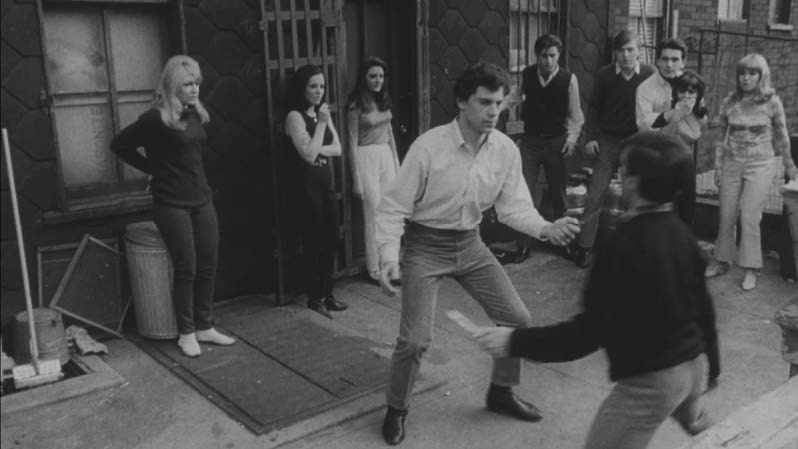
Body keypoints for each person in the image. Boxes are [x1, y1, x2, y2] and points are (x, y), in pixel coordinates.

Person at [375, 61, 580, 446]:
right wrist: (388, 256)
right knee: (416, 340)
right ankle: (396, 409)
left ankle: (501, 393)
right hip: (424, 246)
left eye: (499, 103)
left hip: (470, 244)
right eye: (484, 102)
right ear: (461, 102)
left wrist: (546, 229)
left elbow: (513, 208)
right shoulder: (428, 147)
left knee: (517, 318)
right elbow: (392, 208)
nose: (493, 111)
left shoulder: (505, 150)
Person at [474, 131, 720, 449]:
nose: (618, 173)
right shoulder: (684, 235)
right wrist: (714, 366)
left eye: (622, 168)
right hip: (694, 369)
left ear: (633, 182)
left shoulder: (624, 243)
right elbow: (704, 309)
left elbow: (586, 334)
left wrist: (513, 342)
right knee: (696, 421)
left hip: (652, 384)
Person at [111, 55, 235, 357]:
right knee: (187, 268)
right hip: (171, 203)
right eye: (188, 84)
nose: (194, 89)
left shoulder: (193, 113)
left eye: (196, 83)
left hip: (201, 198)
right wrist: (151, 168)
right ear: (173, 85)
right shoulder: (155, 119)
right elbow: (119, 144)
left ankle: (205, 326)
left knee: (208, 265)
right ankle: (186, 333)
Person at [704, 53, 798, 290]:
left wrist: (789, 163)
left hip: (760, 165)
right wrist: (718, 166)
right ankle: (722, 260)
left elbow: (782, 135)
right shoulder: (730, 102)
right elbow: (721, 137)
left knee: (749, 216)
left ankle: (750, 268)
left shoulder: (772, 102)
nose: (746, 78)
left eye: (752, 73)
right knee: (726, 214)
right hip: (732, 163)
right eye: (742, 73)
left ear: (761, 75)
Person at [575, 30, 655, 268]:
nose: (626, 55)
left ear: (639, 51)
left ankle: (632, 250)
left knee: (634, 197)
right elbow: (594, 108)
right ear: (615, 53)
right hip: (609, 141)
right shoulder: (605, 75)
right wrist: (591, 137)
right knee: (595, 195)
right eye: (621, 50)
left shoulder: (650, 74)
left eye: (630, 49)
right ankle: (584, 247)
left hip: (636, 141)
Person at [506, 33, 584, 262]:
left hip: (555, 143)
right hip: (530, 142)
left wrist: (572, 139)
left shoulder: (568, 79)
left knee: (559, 194)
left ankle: (564, 243)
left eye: (552, 55)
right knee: (524, 193)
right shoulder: (528, 74)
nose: (548, 61)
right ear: (536, 56)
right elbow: (516, 97)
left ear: (558, 55)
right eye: (543, 56)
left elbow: (576, 115)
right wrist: (497, 107)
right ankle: (523, 245)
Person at [283, 64, 349, 316]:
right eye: (313, 86)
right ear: (302, 88)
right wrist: (320, 127)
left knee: (331, 239)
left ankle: (329, 293)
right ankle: (314, 296)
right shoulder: (295, 117)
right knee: (313, 240)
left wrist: (317, 145)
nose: (319, 91)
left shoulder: (322, 113)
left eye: (322, 86)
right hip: (306, 186)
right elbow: (308, 156)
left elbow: (338, 149)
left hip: (326, 183)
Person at [346, 57, 400, 284]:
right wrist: (356, 178)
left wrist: (397, 163)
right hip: (365, 157)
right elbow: (351, 142)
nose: (378, 80)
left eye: (381, 76)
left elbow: (390, 134)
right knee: (374, 213)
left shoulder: (384, 100)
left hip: (386, 155)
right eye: (372, 76)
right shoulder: (356, 106)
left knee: (390, 212)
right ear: (364, 78)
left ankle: (391, 265)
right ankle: (374, 268)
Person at [636, 38, 688, 133]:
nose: (669, 65)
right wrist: (670, 115)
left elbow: (700, 119)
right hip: (656, 140)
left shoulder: (690, 84)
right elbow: (644, 124)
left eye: (675, 60)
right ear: (658, 61)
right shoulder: (645, 88)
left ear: (683, 63)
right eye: (665, 59)